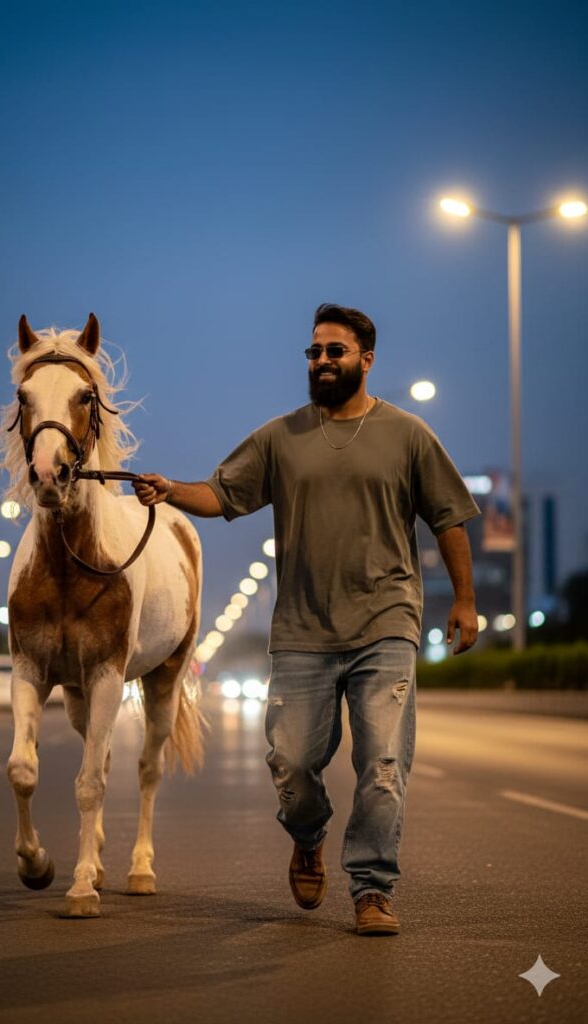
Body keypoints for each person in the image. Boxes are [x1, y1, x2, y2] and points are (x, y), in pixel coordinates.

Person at [133, 303, 480, 936]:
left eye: (335, 352)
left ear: (366, 360)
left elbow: (449, 515)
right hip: (302, 632)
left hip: (387, 622)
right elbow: (222, 493)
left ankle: (373, 890)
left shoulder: (407, 434)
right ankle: (308, 834)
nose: (321, 362)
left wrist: (465, 600)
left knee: (381, 767)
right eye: (314, 352)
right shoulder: (280, 436)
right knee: (291, 765)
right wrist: (171, 490)